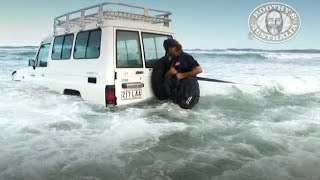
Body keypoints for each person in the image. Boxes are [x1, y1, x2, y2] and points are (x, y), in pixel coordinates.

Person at [164, 40, 203, 109]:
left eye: (167, 48)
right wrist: (169, 73)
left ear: (173, 47)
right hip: (179, 91)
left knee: (184, 110)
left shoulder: (186, 57)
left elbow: (199, 70)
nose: (167, 51)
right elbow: (167, 76)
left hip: (191, 91)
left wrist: (182, 75)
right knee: (173, 109)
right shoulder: (173, 59)